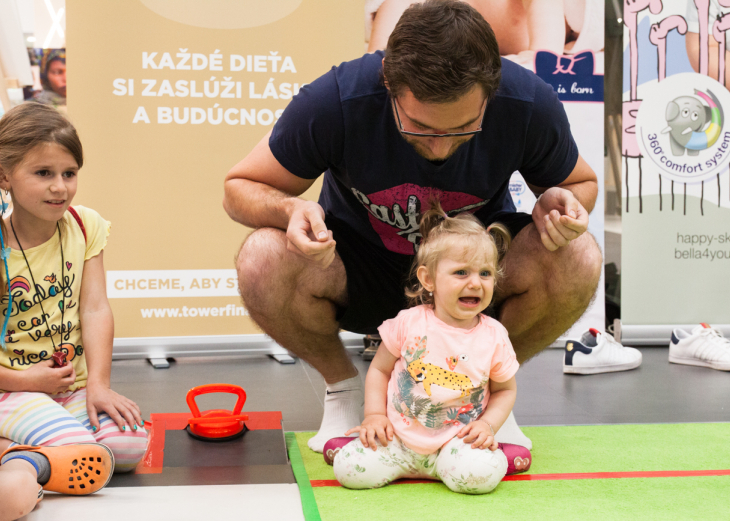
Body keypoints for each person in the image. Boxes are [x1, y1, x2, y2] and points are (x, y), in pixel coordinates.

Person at [224, 0, 603, 453]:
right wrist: (289, 212)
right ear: (388, 83)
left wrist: (563, 205)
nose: (441, 149)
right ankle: (344, 393)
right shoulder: (338, 98)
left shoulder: (526, 100)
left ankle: (486, 393)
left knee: (579, 256)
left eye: (463, 128)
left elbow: (579, 184)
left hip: (471, 281)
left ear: (492, 91)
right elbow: (239, 186)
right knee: (262, 257)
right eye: (421, 128)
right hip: (358, 271)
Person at [0, 103, 148, 520]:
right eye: (43, 173)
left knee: (129, 445)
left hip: (70, 386)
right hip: (11, 388)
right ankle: (23, 462)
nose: (60, 188)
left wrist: (98, 385)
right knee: (83, 452)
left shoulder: (85, 226)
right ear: (5, 176)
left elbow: (96, 309)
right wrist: (27, 379)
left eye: (69, 173)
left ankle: (22, 453)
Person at [331, 203, 524, 494]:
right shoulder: (408, 323)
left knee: (479, 477)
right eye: (461, 272)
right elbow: (380, 370)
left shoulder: (494, 335)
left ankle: (498, 455)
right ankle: (367, 451)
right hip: (397, 439)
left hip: (456, 444)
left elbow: (505, 390)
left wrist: (488, 426)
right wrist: (374, 416)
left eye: (485, 273)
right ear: (428, 279)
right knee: (348, 470)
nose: (475, 282)